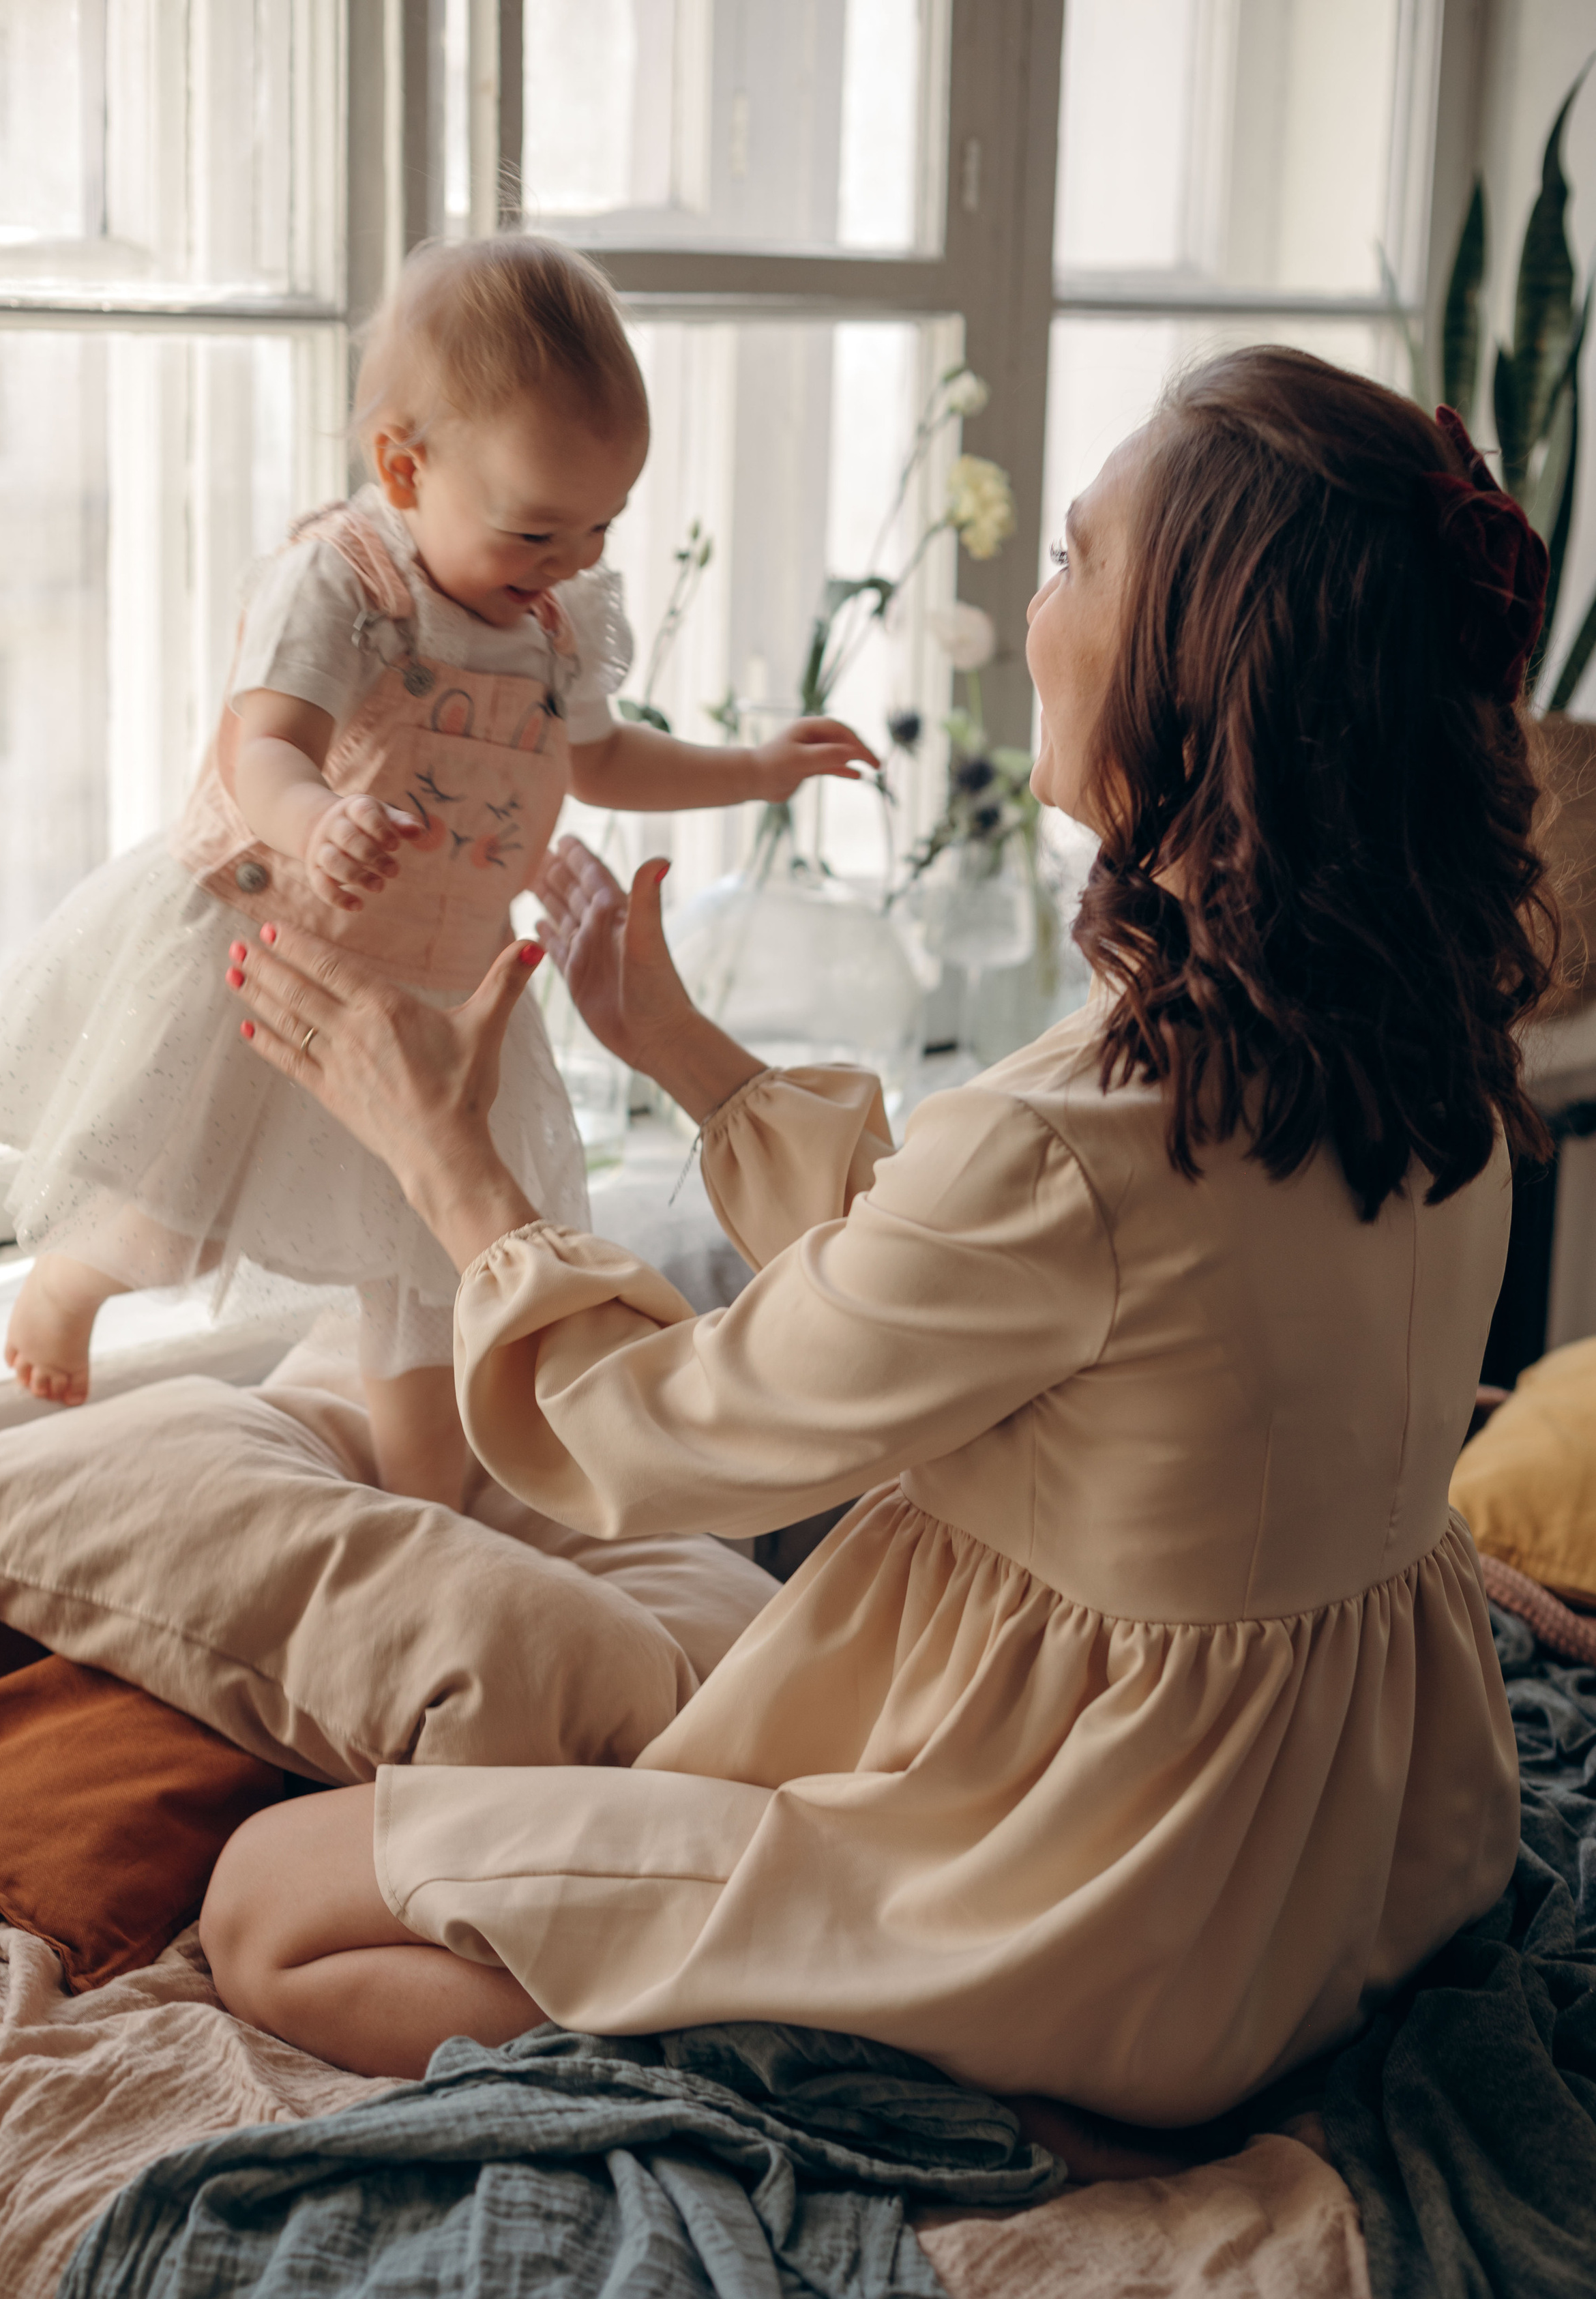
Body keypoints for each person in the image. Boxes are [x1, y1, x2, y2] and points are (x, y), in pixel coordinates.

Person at [200, 347, 1549, 2124]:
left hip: (1092, 1889)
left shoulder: (1087, 1137)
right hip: (1358, 1855)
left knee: (263, 1908)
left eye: (1074, 560)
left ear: (1209, 673)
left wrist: (444, 1157)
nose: (1034, 605)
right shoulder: (1413, 1050)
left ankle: (790, 2041)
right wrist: (674, 1044)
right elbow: (989, 1288)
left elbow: (665, 1436)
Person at [0, 236, 874, 1504]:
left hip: (439, 986)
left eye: (602, 525)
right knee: (173, 1210)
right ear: (404, 470)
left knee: (430, 1267)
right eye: (539, 527)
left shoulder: (555, 618)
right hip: (283, 956)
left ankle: (430, 1493)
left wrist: (749, 769)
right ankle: (71, 1282)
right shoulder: (347, 584)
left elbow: (601, 757)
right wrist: (315, 821)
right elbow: (266, 752)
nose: (572, 560)